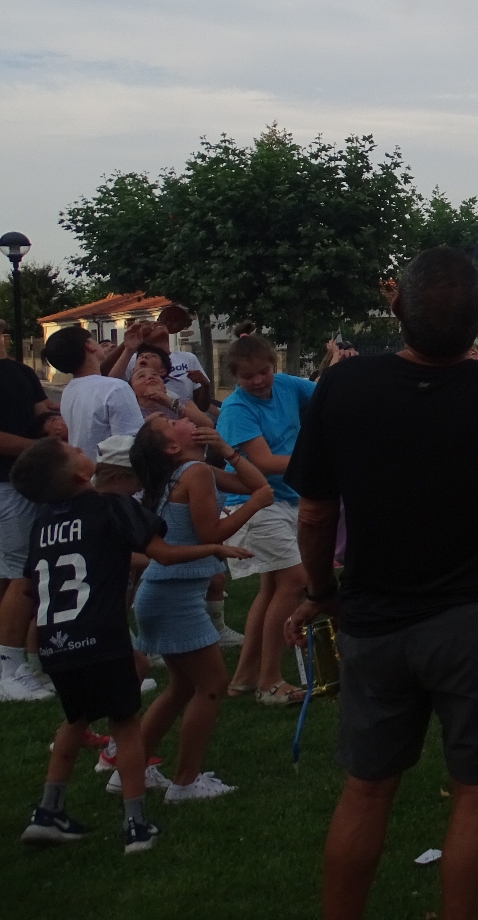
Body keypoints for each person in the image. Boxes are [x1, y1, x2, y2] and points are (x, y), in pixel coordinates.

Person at [282, 252, 478, 919]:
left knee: (366, 788)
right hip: (477, 620)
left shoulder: (343, 386)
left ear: (396, 310)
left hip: (375, 620)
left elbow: (315, 515)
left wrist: (322, 591)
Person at [10, 436, 251, 852]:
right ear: (79, 474)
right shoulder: (112, 506)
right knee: (125, 726)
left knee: (74, 720)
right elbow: (164, 554)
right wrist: (214, 546)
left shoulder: (43, 524)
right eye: (77, 453)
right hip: (101, 636)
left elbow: (32, 586)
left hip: (56, 640)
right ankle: (136, 823)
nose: (84, 452)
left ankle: (49, 810)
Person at [129, 413, 274, 798]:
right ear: (171, 446)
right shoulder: (193, 472)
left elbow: (257, 482)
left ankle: (130, 771)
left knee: (181, 687)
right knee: (211, 686)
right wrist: (254, 505)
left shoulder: (195, 470)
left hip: (164, 592)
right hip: (173, 595)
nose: (182, 417)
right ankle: (185, 782)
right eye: (170, 421)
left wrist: (226, 449)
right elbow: (214, 531)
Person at [215, 334, 316, 705]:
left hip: (285, 499)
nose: (258, 381)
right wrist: (320, 458)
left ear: (274, 365)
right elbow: (264, 462)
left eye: (264, 371)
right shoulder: (236, 409)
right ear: (235, 377)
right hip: (254, 503)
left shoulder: (287, 385)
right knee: (295, 580)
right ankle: (269, 681)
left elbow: (327, 396)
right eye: (247, 376)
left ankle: (244, 678)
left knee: (272, 589)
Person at [0, 346, 56, 702]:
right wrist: (42, 447)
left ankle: (22, 662)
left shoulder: (18, 371)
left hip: (28, 485)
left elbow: (42, 410)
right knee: (22, 572)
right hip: (6, 486)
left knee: (18, 573)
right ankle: (8, 668)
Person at [45, 327, 143, 461]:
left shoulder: (69, 391)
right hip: (110, 471)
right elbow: (132, 443)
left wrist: (128, 349)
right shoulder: (115, 388)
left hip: (84, 468)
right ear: (89, 346)